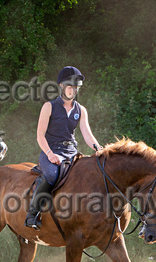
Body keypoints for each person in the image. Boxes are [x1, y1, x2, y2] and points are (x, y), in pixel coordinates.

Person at [24, 66, 103, 231]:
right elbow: (40, 136)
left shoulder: (81, 110)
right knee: (52, 176)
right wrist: (50, 154)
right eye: (70, 87)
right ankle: (32, 214)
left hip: (71, 152)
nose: (73, 91)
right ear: (61, 86)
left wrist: (98, 148)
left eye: (76, 88)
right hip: (51, 150)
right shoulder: (49, 107)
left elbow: (87, 134)